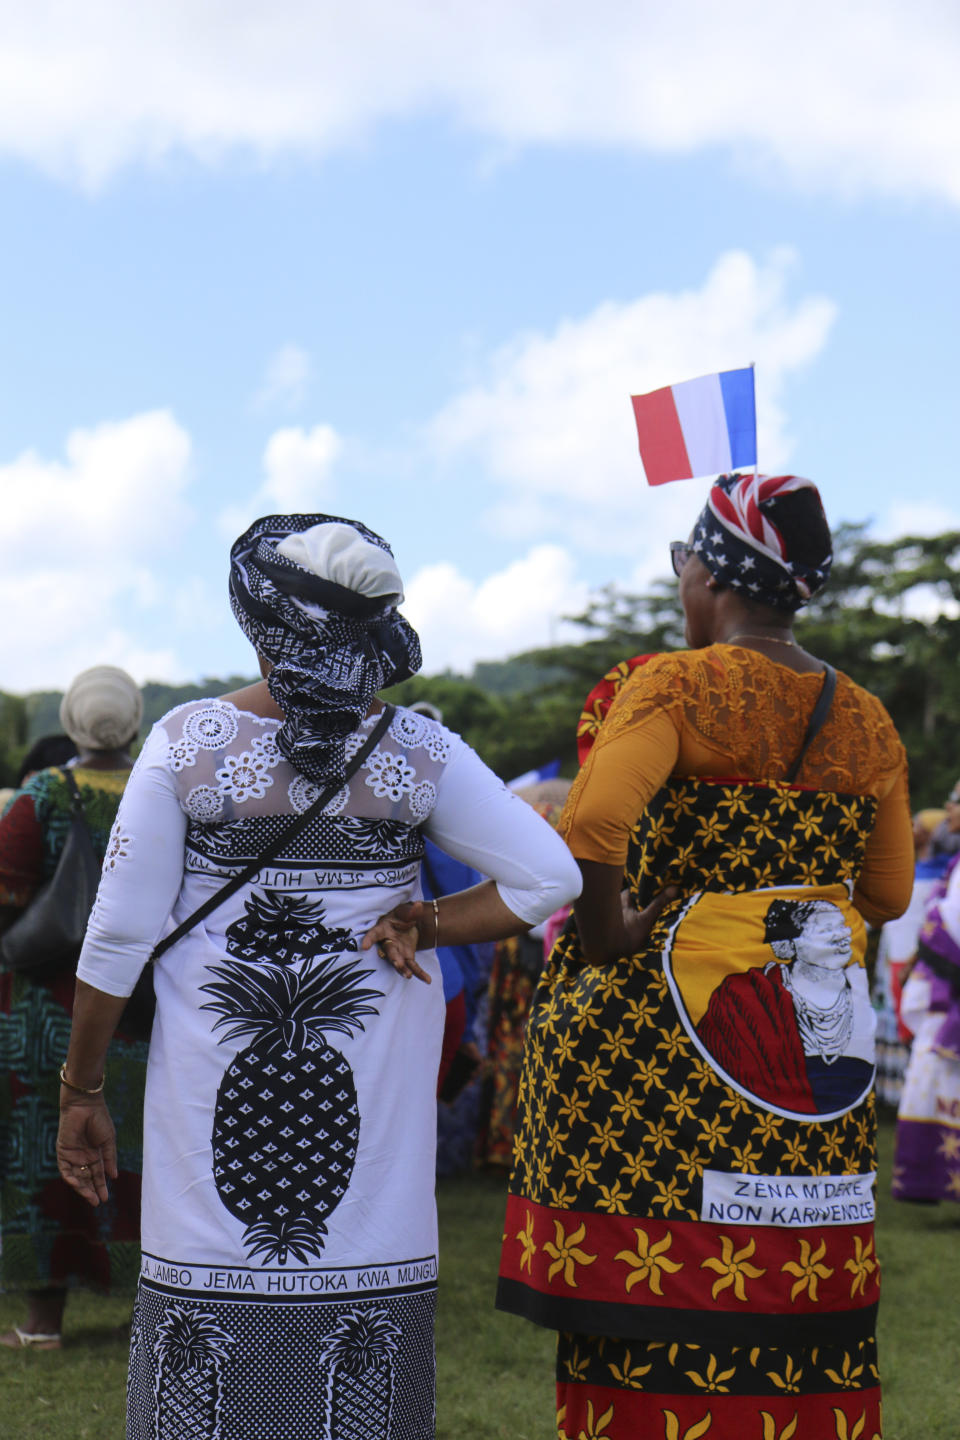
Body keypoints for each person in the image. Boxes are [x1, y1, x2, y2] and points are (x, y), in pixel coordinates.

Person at [55, 514, 580, 1440]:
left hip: (212, 1102)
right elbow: (550, 877)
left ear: (260, 618)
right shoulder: (421, 752)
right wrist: (431, 919)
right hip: (367, 1104)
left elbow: (119, 933)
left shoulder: (186, 745)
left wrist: (80, 1089)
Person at [496, 473, 913, 1440]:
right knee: (792, 1284)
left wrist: (607, 933)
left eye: (681, 565)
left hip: (664, 1058)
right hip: (812, 1080)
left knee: (658, 1296)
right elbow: (886, 894)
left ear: (710, 576)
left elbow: (594, 826)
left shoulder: (674, 686)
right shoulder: (866, 718)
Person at [0, 669, 143, 1350]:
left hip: (51, 1013)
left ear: (71, 722)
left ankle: (41, 1323)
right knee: (145, 1156)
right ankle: (152, 1313)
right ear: (137, 721)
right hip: (143, 1010)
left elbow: (5, 889)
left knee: (44, 1156)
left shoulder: (45, 793)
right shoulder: (163, 789)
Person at [892, 854, 960, 1203]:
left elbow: (950, 924)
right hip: (945, 992)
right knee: (932, 1082)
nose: (951, 808)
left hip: (950, 992)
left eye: (957, 801)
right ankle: (927, 1178)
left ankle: (929, 1178)